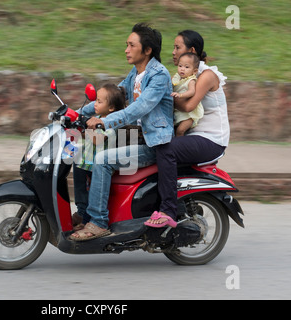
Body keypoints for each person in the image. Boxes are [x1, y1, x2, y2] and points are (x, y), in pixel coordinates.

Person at [70, 23, 174, 241]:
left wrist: (104, 122)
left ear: (147, 50)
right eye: (126, 45)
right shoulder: (136, 73)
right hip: (134, 137)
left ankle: (98, 222)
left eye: (131, 45)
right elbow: (113, 97)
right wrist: (74, 113)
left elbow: (139, 107)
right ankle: (85, 211)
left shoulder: (159, 75)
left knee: (102, 159)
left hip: (154, 144)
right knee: (79, 153)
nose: (126, 49)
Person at [144, 30, 229, 228]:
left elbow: (189, 106)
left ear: (191, 51)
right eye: (173, 47)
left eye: (177, 47)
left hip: (211, 140)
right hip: (194, 136)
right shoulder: (183, 75)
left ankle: (168, 211)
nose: (173, 52)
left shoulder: (207, 75)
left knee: (167, 149)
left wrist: (164, 99)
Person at [72, 84, 126, 231]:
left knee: (92, 192)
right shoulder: (95, 118)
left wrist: (88, 128)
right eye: (96, 100)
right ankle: (81, 211)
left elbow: (98, 140)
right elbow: (86, 136)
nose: (95, 104)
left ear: (111, 108)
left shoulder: (111, 123)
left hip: (97, 165)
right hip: (85, 162)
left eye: (99, 102)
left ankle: (87, 219)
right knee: (79, 186)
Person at [170, 52, 204, 136]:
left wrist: (180, 95)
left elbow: (192, 92)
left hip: (189, 115)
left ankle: (179, 147)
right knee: (175, 131)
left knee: (180, 131)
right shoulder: (176, 78)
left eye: (186, 67)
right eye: (180, 66)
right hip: (178, 112)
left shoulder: (190, 80)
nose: (182, 69)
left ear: (194, 71)